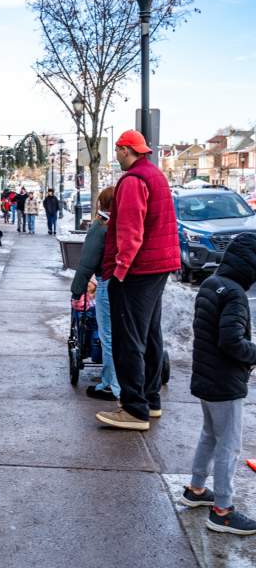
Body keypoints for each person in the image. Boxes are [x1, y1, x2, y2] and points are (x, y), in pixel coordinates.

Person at [96, 130, 180, 431]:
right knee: (149, 334)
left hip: (138, 269)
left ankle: (134, 409)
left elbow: (130, 233)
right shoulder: (154, 174)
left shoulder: (132, 181)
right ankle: (150, 399)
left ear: (125, 150)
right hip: (158, 265)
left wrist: (119, 270)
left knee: (128, 338)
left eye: (117, 151)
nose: (116, 156)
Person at [181, 233, 256, 535]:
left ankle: (196, 488)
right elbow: (232, 342)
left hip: (206, 376)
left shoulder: (211, 284)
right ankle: (223, 510)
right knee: (229, 444)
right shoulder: (235, 295)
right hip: (225, 381)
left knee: (210, 434)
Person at [70, 187, 119, 401]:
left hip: (107, 283)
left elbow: (87, 263)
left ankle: (111, 384)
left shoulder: (100, 227)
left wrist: (77, 289)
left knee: (108, 335)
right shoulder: (125, 224)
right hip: (130, 284)